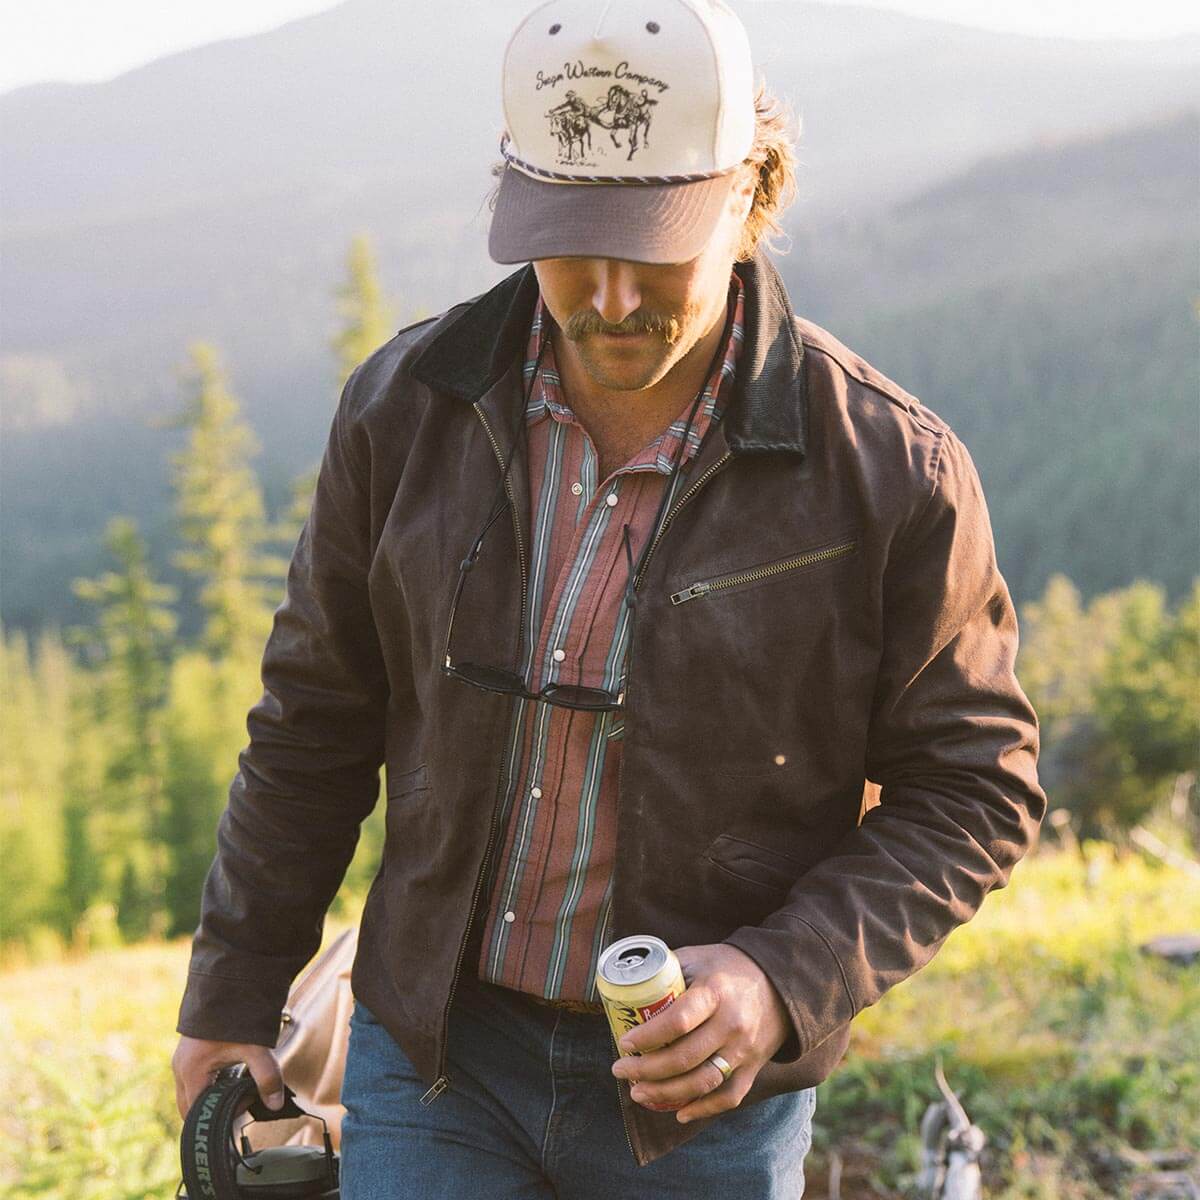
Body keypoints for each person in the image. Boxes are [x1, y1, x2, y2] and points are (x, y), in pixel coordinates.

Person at [172, 0, 1047, 1195]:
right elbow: (311, 723)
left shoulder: (891, 472)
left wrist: (781, 978)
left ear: (750, 194)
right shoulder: (405, 410)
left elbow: (974, 787)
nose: (613, 299)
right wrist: (232, 995)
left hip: (705, 1103)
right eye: (573, 247)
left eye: (656, 247)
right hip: (434, 1062)